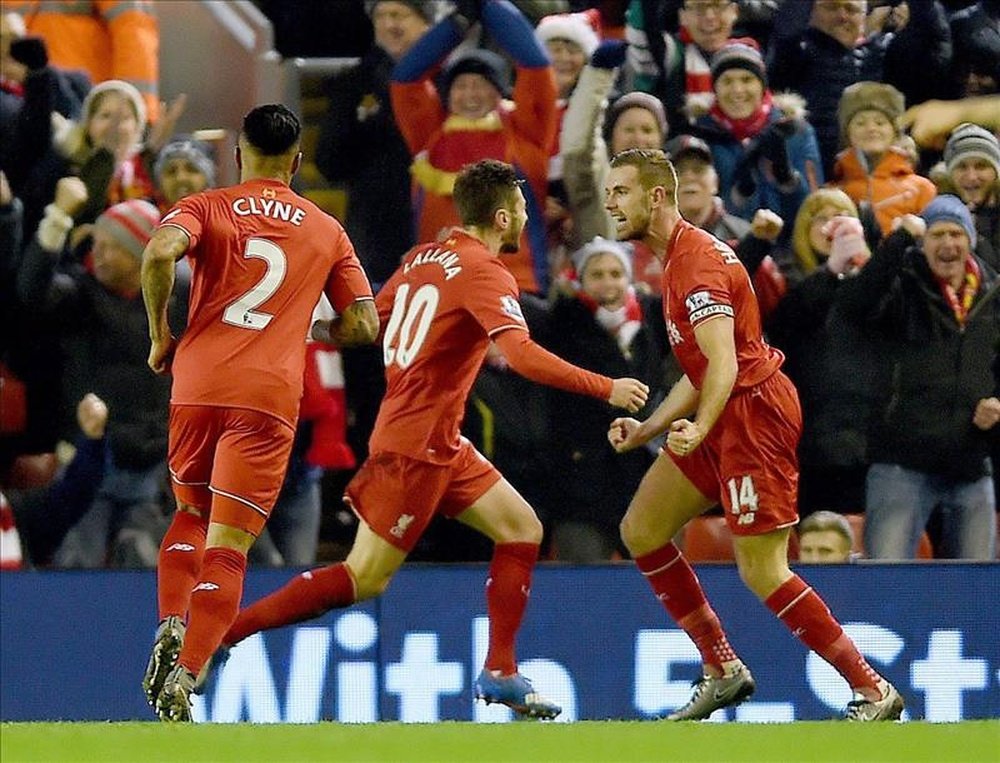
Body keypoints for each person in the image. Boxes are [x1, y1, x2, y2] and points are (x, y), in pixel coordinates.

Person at [207, 159, 650, 720]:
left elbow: (366, 324)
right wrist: (605, 386)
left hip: (438, 441)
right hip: (414, 449)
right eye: (519, 206)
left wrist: (300, 326)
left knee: (522, 530)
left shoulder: (422, 260)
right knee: (363, 577)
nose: (525, 216)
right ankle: (229, 632)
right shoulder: (485, 271)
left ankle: (501, 669)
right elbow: (520, 355)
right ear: (501, 214)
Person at [603, 148, 903, 721]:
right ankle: (722, 668)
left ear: (657, 196)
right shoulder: (675, 259)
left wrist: (701, 427)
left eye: (621, 192)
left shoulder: (695, 264)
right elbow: (704, 371)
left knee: (763, 569)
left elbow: (724, 364)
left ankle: (872, 689)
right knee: (641, 529)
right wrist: (651, 428)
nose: (611, 204)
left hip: (752, 416)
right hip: (725, 407)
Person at [139, 104, 380, 722]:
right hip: (267, 398)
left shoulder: (209, 205)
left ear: (240, 153)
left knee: (189, 513)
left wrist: (160, 335)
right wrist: (305, 322)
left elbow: (160, 253)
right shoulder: (325, 228)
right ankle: (188, 676)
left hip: (196, 384)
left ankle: (171, 622)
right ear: (297, 162)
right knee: (229, 547)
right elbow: (363, 323)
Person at [836, 196, 1000, 561]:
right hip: (901, 462)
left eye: (956, 234)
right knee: (887, 579)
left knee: (980, 590)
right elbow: (851, 308)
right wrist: (898, 242)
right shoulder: (901, 287)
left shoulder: (993, 293)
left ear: (970, 241)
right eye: (937, 234)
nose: (948, 245)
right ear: (923, 243)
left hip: (971, 462)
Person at [832, 81, 937, 238]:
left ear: (895, 133)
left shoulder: (922, 188)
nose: (871, 129)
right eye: (860, 123)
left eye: (880, 122)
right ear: (848, 134)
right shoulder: (835, 192)